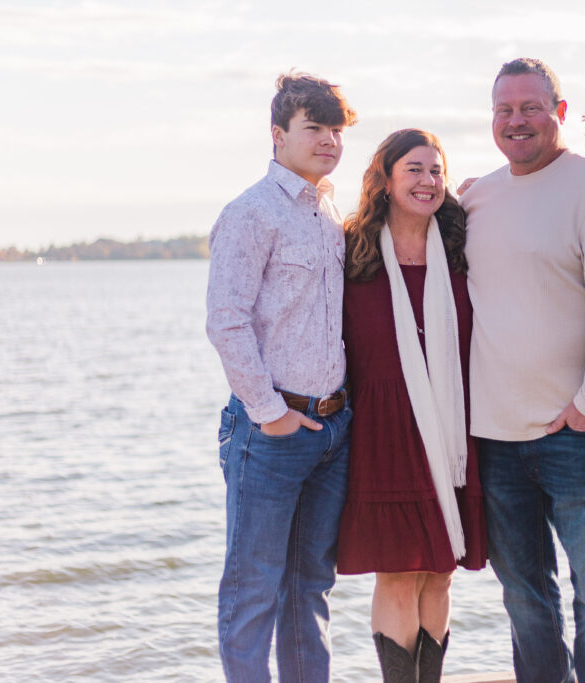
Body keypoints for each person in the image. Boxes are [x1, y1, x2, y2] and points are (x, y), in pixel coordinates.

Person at [459, 58, 585, 682]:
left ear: (559, 113)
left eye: (530, 107)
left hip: (577, 434)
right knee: (525, 601)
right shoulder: (477, 197)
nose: (517, 121)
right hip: (494, 437)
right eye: (504, 110)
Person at [205, 71, 357, 682]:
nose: (328, 140)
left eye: (337, 130)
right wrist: (269, 413)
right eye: (313, 128)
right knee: (253, 592)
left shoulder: (329, 213)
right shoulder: (250, 213)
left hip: (332, 429)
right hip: (271, 432)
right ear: (277, 134)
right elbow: (226, 322)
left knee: (311, 591)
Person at [338, 128, 487, 682]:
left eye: (436, 171)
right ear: (385, 178)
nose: (428, 181)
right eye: (414, 170)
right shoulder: (351, 250)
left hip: (451, 426)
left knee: (440, 573)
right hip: (383, 433)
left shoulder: (461, 249)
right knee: (399, 574)